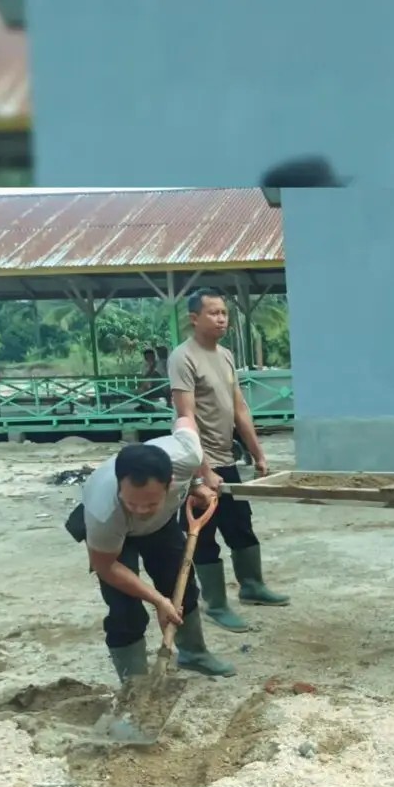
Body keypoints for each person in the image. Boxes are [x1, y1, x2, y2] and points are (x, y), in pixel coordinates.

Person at [64, 416, 236, 681]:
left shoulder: (186, 456)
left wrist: (197, 483)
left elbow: (185, 419)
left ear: (169, 484)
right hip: (116, 534)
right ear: (120, 485)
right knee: (126, 610)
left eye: (149, 503)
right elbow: (106, 566)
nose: (141, 510)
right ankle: (135, 686)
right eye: (133, 503)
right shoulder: (103, 511)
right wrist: (157, 600)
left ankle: (194, 653)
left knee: (181, 585)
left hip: (162, 524)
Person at [167, 287, 289, 633]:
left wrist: (258, 452)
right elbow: (184, 417)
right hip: (195, 464)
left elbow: (239, 408)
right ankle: (216, 604)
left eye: (224, 312)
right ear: (194, 318)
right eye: (213, 313)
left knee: (240, 524)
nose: (222, 318)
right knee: (203, 537)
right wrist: (203, 471)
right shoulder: (182, 357)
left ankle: (252, 587)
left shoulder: (225, 355)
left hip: (226, 458)